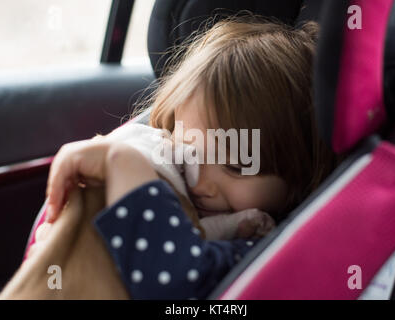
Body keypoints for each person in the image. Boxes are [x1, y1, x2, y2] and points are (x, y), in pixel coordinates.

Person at [43, 16, 340, 299]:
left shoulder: (264, 247)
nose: (199, 182)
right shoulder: (170, 179)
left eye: (236, 165)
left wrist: (126, 166)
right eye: (188, 153)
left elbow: (175, 287)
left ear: (301, 171)